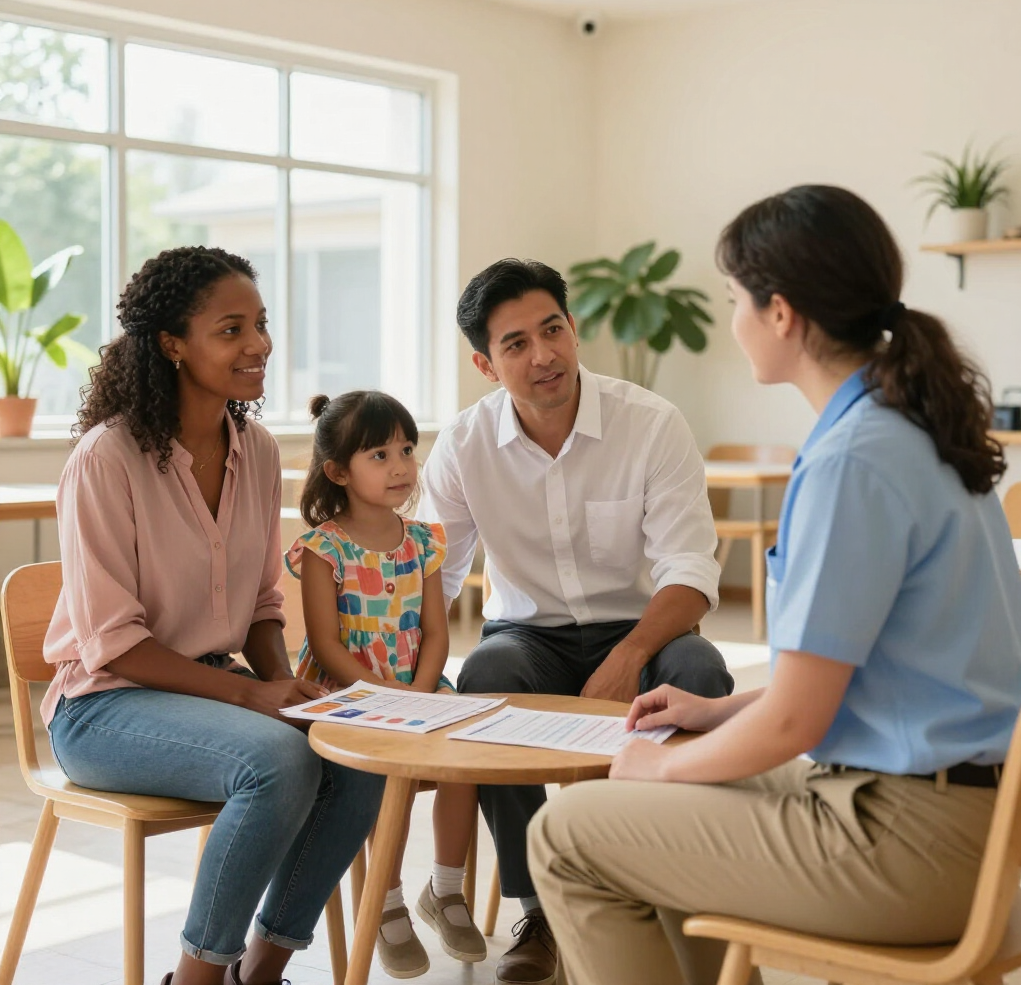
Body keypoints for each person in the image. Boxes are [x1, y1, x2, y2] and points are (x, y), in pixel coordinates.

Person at [526, 185, 1021, 985]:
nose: (733, 321)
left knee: (569, 834)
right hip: (966, 819)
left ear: (782, 313)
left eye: (734, 299)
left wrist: (662, 768)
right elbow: (873, 671)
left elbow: (798, 718)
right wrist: (718, 711)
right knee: (674, 780)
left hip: (910, 843)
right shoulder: (919, 429)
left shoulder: (852, 461)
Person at [43, 246, 384, 985]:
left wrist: (289, 690)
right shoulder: (107, 458)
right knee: (277, 760)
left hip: (214, 687)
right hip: (104, 707)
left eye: (260, 324)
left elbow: (262, 605)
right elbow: (115, 643)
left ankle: (259, 974)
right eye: (231, 329)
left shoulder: (256, 451)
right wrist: (254, 698)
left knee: (357, 757)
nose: (258, 344)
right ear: (172, 343)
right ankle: (196, 980)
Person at [417, 257, 733, 985]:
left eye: (552, 330)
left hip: (646, 628)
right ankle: (541, 913)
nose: (544, 355)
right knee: (486, 681)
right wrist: (410, 675)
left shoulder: (650, 424)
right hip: (527, 638)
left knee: (703, 674)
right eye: (516, 344)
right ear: (485, 365)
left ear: (573, 327)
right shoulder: (464, 446)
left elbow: (689, 572)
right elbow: (434, 575)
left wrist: (632, 653)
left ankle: (680, 893)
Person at [287, 389, 486, 979]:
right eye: (380, 455)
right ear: (337, 471)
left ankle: (446, 890)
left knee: (468, 750)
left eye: (406, 449)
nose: (401, 465)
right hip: (347, 692)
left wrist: (422, 693)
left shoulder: (424, 540)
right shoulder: (325, 547)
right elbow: (325, 644)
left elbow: (436, 631)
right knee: (383, 770)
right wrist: (384, 699)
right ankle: (389, 902)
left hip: (416, 685)